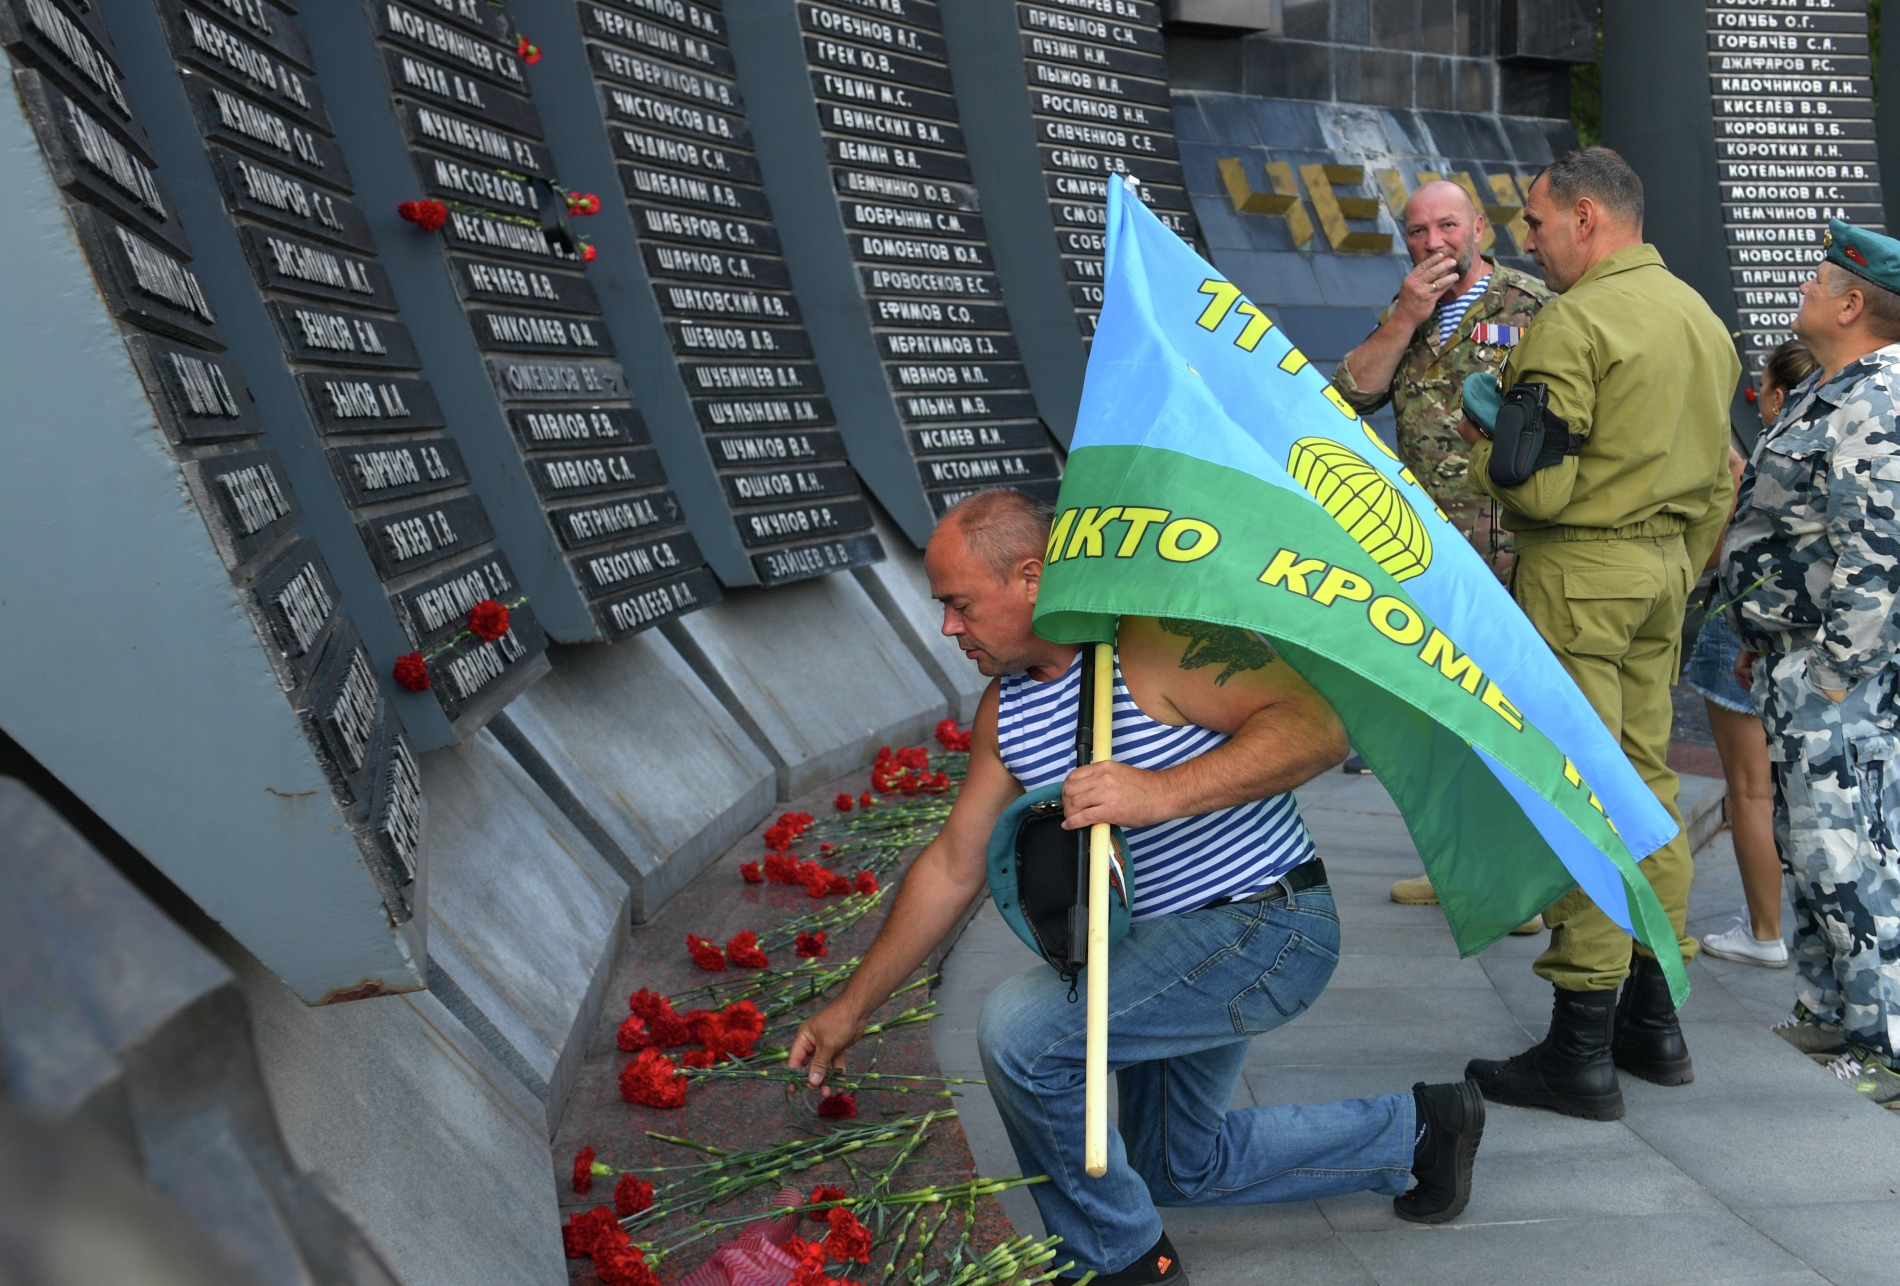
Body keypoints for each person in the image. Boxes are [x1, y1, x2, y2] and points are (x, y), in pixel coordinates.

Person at [789, 490, 1487, 1285]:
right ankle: (1423, 1130)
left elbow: (1315, 729)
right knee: (1174, 1166)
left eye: (959, 604)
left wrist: (1159, 792)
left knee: (1023, 1036)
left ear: (1031, 578)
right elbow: (953, 865)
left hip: (1265, 925)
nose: (948, 627)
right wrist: (851, 1010)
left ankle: (1121, 1264)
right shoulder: (1006, 713)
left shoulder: (1153, 641)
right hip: (1160, 945)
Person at [1453, 147, 1736, 1120]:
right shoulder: (1699, 319)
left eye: (1533, 222)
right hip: (1662, 574)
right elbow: (1717, 482)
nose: (1524, 240)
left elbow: (1538, 479)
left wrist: (1488, 443)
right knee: (1646, 782)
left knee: (1579, 790)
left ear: (1585, 217)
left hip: (1579, 572)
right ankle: (1653, 1023)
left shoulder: (1574, 323)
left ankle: (1580, 1041)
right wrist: (1673, 559)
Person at [1722, 220, 1900, 1108]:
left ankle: (1887, 1045)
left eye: (1814, 282)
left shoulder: (1877, 400)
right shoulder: (1830, 390)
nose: (1802, 294)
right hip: (1795, 663)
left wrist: (1833, 676)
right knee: (1811, 846)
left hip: (1838, 680)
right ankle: (1829, 1008)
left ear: (1852, 302)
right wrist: (1766, 646)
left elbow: (1878, 555)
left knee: (1851, 850)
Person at [1332, 180, 1551, 900]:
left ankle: (1515, 880)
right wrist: (1406, 318)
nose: (1433, 243)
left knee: (1510, 711)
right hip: (1426, 550)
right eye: (1418, 231)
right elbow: (1350, 397)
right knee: (1444, 712)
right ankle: (1459, 865)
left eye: (1446, 226)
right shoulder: (1406, 311)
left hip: (1509, 545)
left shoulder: (1532, 305)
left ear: (1479, 228)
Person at [1687, 341, 1818, 969]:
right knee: (1800, 789)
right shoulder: (1838, 446)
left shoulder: (1764, 461)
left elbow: (1716, 554)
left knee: (1751, 792)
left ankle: (1765, 930)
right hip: (1814, 639)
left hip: (1744, 628)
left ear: (1773, 398)